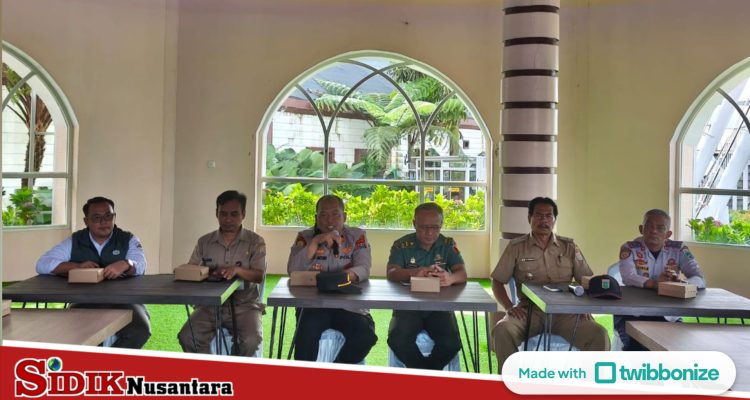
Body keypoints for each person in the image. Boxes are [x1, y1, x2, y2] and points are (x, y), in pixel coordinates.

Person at [490, 197, 610, 370]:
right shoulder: (516, 247)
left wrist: (585, 307)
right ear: (529, 218)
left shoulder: (569, 247)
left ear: (554, 219)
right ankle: (511, 379)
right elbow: (497, 281)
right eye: (538, 215)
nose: (544, 220)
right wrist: (509, 307)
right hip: (530, 312)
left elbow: (586, 280)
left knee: (599, 335)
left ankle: (589, 382)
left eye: (548, 216)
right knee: (502, 330)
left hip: (566, 313)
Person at [36, 196, 151, 349]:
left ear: (114, 217)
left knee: (140, 331)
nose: (104, 222)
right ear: (86, 221)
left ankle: (112, 362)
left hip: (125, 299)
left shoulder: (127, 239)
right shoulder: (75, 240)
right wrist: (76, 266)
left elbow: (141, 264)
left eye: (108, 216)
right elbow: (42, 264)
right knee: (79, 333)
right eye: (97, 217)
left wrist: (126, 264)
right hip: (84, 299)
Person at [287, 194, 377, 363]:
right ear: (316, 218)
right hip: (313, 305)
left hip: (349, 306)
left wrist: (338, 278)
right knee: (305, 338)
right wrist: (315, 242)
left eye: (336, 214)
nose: (329, 220)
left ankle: (336, 370)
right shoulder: (305, 237)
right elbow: (293, 270)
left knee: (366, 336)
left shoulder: (357, 236)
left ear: (345, 216)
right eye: (323, 214)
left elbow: (364, 268)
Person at [177, 190, 266, 356]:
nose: (228, 219)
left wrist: (237, 270)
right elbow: (192, 270)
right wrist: (202, 273)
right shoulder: (205, 242)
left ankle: (235, 368)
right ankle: (210, 370)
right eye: (223, 214)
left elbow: (258, 276)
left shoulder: (255, 242)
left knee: (251, 340)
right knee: (188, 337)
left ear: (243, 214)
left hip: (244, 306)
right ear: (216, 213)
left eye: (234, 214)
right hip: (209, 306)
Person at [386, 202, 466, 370]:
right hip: (408, 306)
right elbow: (392, 272)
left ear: (441, 225)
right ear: (414, 224)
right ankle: (427, 376)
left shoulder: (447, 244)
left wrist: (450, 278)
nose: (429, 233)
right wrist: (414, 273)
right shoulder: (402, 245)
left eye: (435, 227)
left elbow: (462, 274)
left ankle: (424, 375)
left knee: (451, 343)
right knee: (398, 340)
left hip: (439, 306)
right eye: (423, 227)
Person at [615, 208, 706, 350]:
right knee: (638, 349)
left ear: (668, 234)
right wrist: (656, 284)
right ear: (641, 229)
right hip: (634, 312)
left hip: (668, 314)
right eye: (649, 226)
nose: (653, 231)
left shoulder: (679, 249)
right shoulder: (630, 248)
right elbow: (628, 277)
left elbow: (699, 278)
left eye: (660, 228)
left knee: (679, 348)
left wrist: (680, 284)